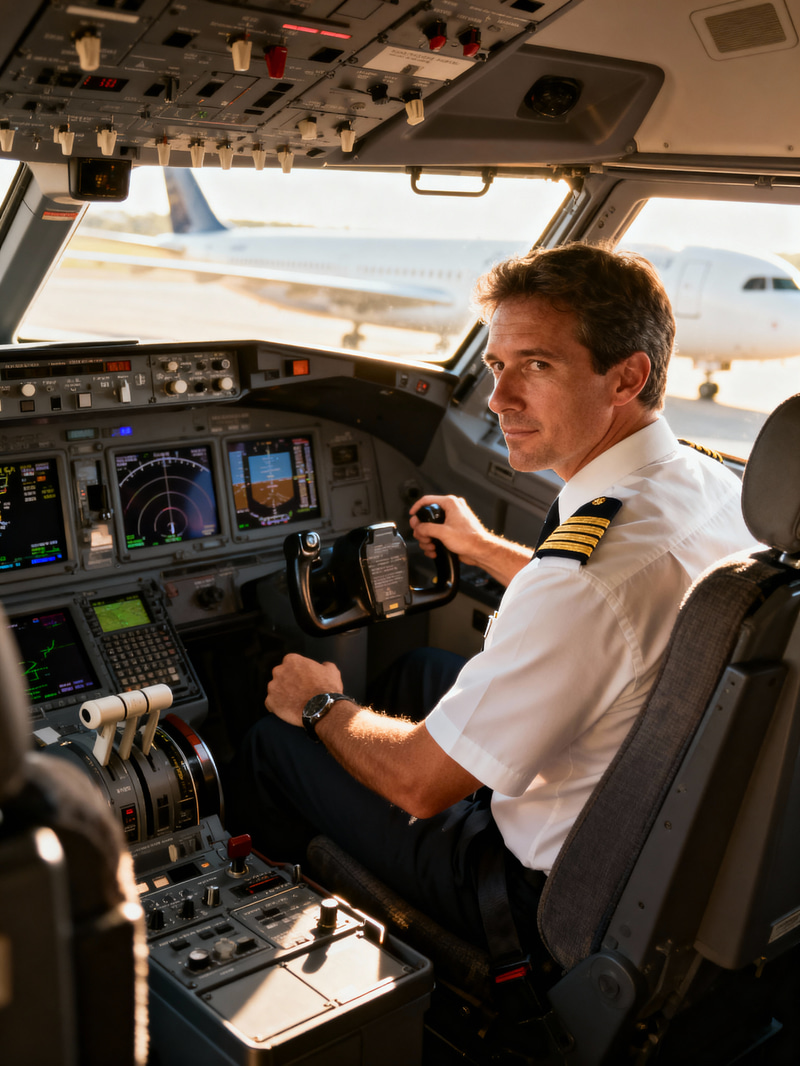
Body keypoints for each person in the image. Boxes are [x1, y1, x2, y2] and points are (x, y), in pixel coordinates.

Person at [236, 242, 754, 964]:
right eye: (496, 366)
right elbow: (622, 614)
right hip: (650, 816)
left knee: (275, 740)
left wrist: (322, 704)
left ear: (626, 377)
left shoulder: (586, 578)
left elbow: (420, 785)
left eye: (537, 366)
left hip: (532, 892)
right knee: (416, 668)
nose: (499, 399)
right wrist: (483, 549)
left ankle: (258, 939)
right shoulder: (712, 485)